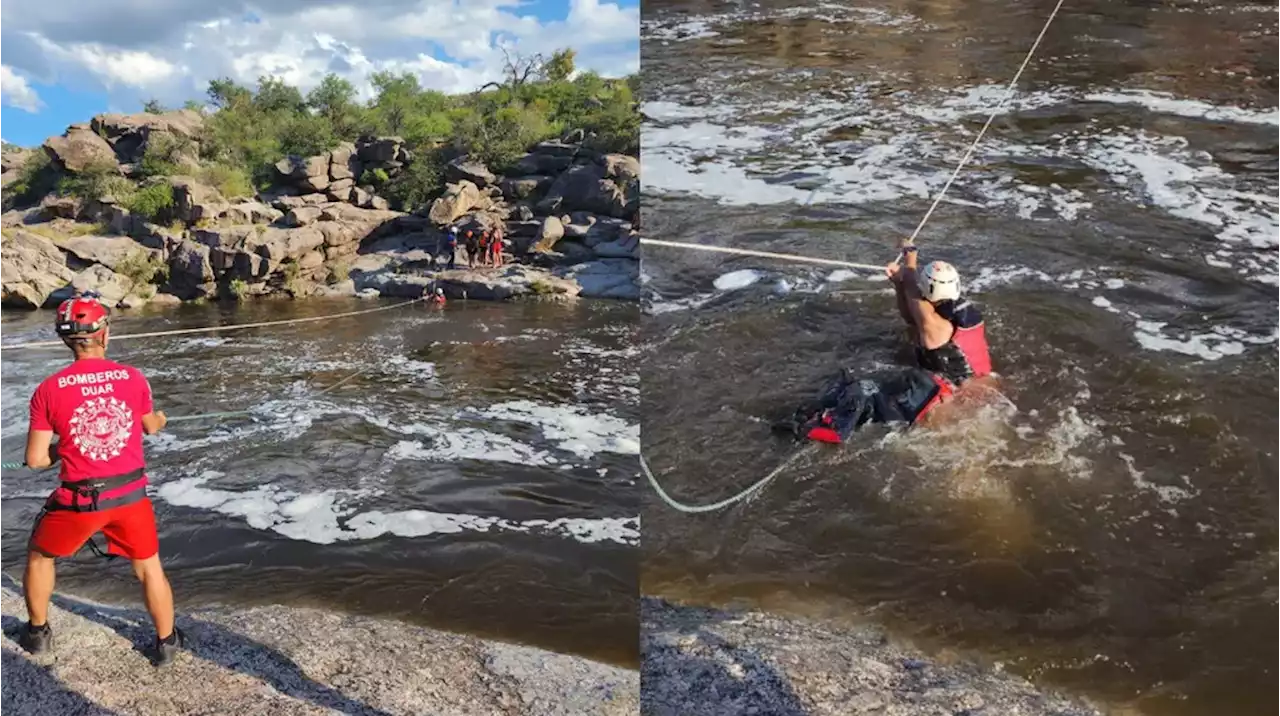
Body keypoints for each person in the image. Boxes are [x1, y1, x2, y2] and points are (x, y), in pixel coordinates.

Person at [21, 294, 184, 664]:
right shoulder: (132, 378)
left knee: (40, 556)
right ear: (104, 334)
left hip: (80, 500)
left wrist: (66, 449)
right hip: (130, 497)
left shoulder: (48, 390)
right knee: (149, 567)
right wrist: (159, 421)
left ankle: (37, 634)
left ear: (66, 341)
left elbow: (34, 460)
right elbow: (149, 426)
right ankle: (167, 642)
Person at [783, 244, 993, 444]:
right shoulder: (950, 314)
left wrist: (910, 261)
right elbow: (911, 313)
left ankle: (823, 429)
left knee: (862, 391)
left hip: (952, 398)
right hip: (971, 389)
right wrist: (898, 284)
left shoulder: (936, 326)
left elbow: (916, 299)